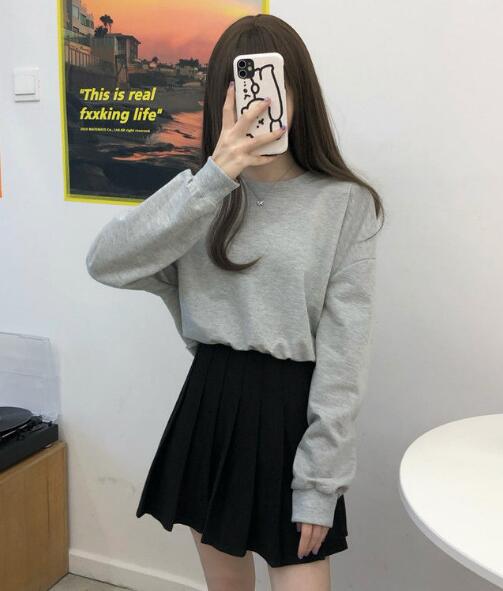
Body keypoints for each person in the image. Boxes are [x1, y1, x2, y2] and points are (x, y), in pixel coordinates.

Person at [86, 12, 384, 591]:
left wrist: (320, 484)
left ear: (298, 93)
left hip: (294, 413)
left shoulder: (346, 204)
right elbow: (105, 262)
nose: (258, 106)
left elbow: (344, 359)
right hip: (212, 403)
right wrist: (216, 175)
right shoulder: (200, 196)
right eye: (241, 91)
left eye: (273, 88)